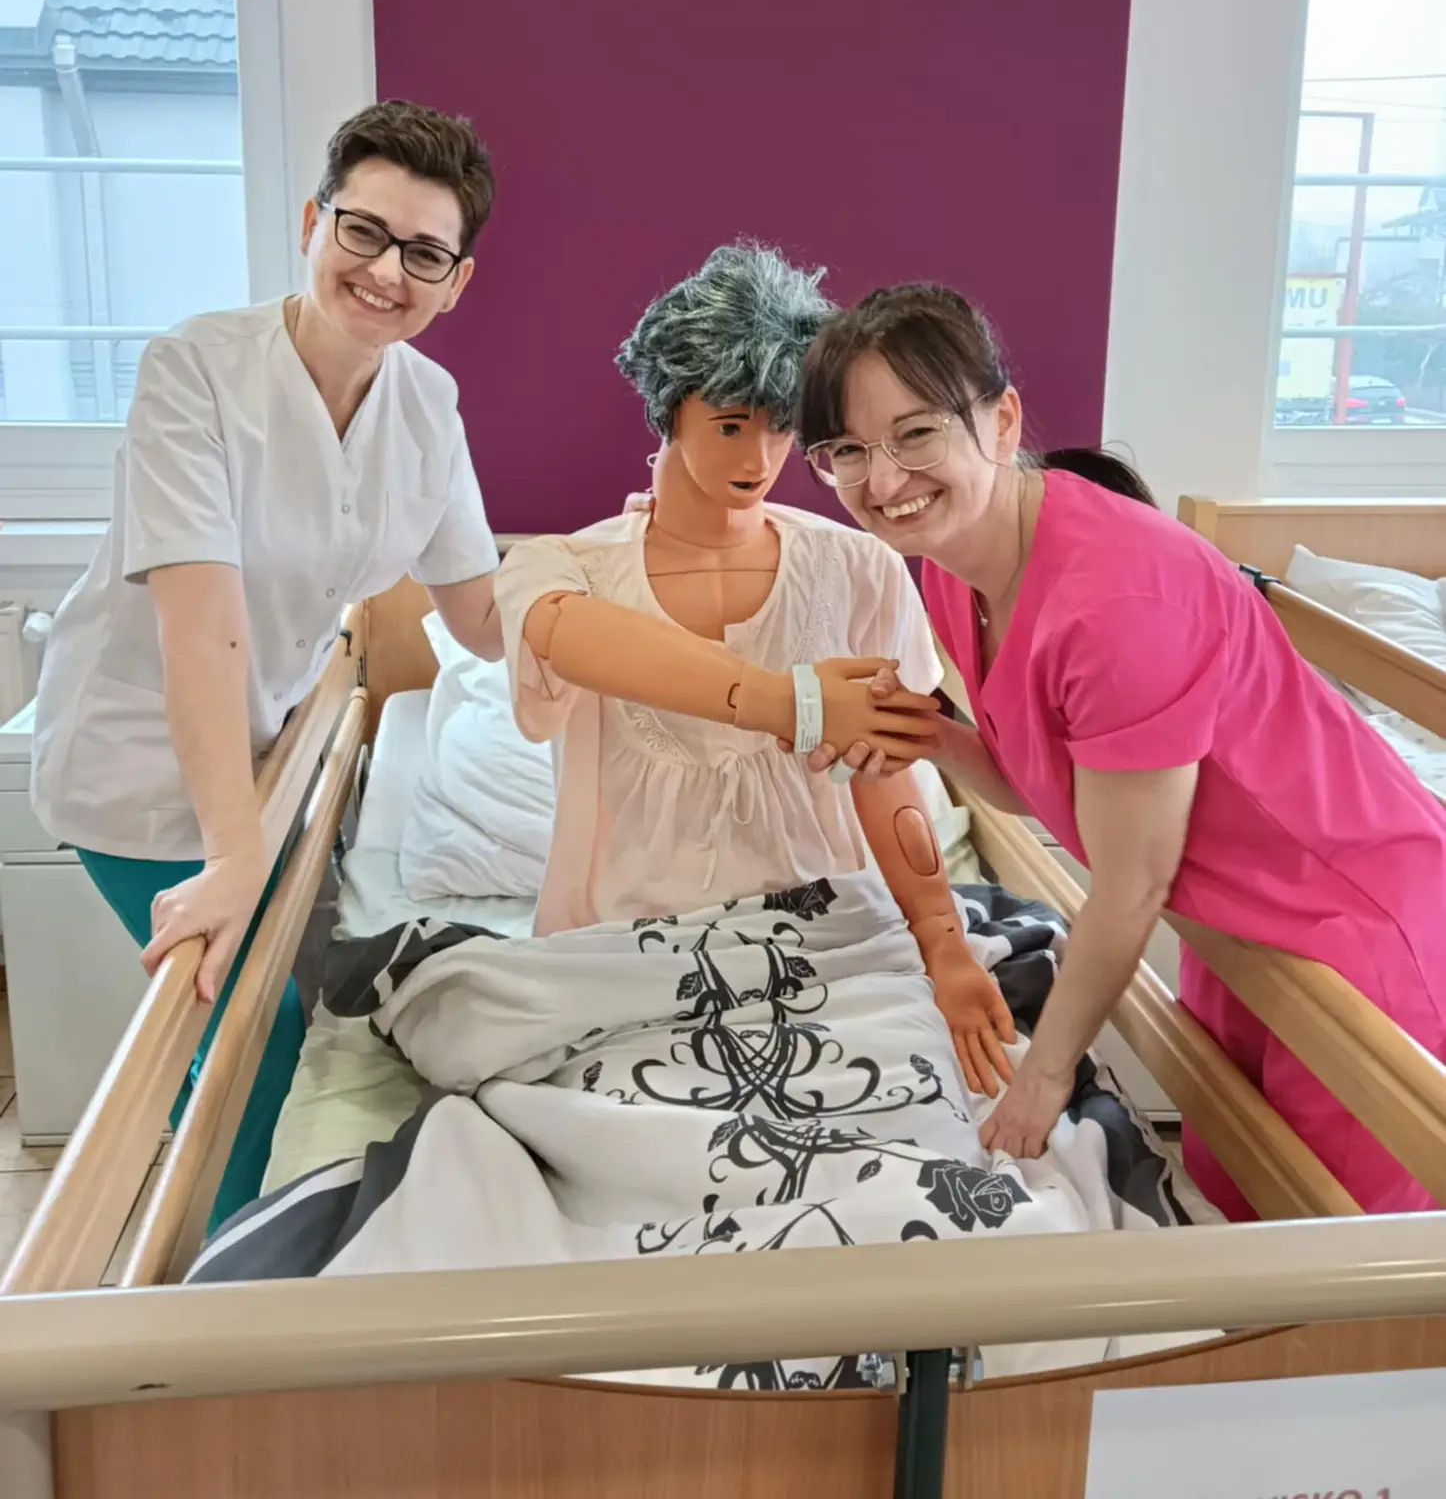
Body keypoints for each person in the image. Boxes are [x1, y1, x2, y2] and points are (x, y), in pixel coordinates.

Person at [795, 280, 1446, 1218]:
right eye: (847, 451)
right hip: (1235, 923)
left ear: (1002, 421)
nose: (884, 481)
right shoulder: (952, 573)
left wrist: (1043, 1076)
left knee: (1337, 1262)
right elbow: (1043, 787)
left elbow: (1130, 883)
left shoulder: (1116, 603)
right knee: (1231, 1199)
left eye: (916, 434)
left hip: (1361, 923)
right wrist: (927, 734)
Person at [30, 99, 503, 1229]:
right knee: (249, 1033)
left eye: (423, 253)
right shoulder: (196, 369)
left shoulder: (428, 407)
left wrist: (620, 576)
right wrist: (235, 855)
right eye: (363, 231)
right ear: (311, 222)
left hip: (270, 746)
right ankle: (236, 1277)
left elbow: (483, 615)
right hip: (140, 759)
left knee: (279, 1004)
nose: (385, 272)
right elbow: (203, 626)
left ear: (456, 283)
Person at [493, 244, 1016, 1095]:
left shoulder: (859, 567)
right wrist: (794, 702)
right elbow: (566, 633)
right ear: (670, 412)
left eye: (781, 426)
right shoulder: (564, 570)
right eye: (731, 425)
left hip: (827, 940)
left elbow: (884, 775)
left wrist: (944, 943)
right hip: (622, 950)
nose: (760, 456)